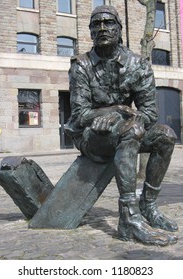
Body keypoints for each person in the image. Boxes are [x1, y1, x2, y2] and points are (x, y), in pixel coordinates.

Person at [65, 5, 178, 245]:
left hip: (126, 132)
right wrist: (116, 111)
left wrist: (121, 119)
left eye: (108, 23)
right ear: (90, 32)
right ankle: (128, 218)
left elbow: (149, 113)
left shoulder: (138, 65)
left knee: (165, 136)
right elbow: (79, 115)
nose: (103, 28)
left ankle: (147, 205)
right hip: (90, 138)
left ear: (119, 28)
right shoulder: (81, 66)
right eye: (96, 24)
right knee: (130, 130)